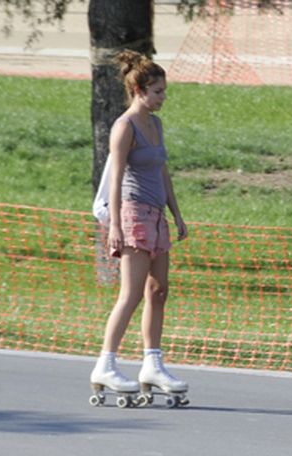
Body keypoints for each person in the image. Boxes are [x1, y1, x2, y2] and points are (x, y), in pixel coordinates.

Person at [89, 50, 189, 407]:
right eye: (158, 91)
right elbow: (114, 180)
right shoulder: (124, 127)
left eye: (164, 91)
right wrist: (115, 225)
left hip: (156, 215)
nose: (163, 97)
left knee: (159, 290)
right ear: (139, 90)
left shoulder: (156, 126)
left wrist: (176, 213)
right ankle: (106, 364)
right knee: (130, 295)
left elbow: (162, 170)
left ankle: (153, 364)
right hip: (132, 215)